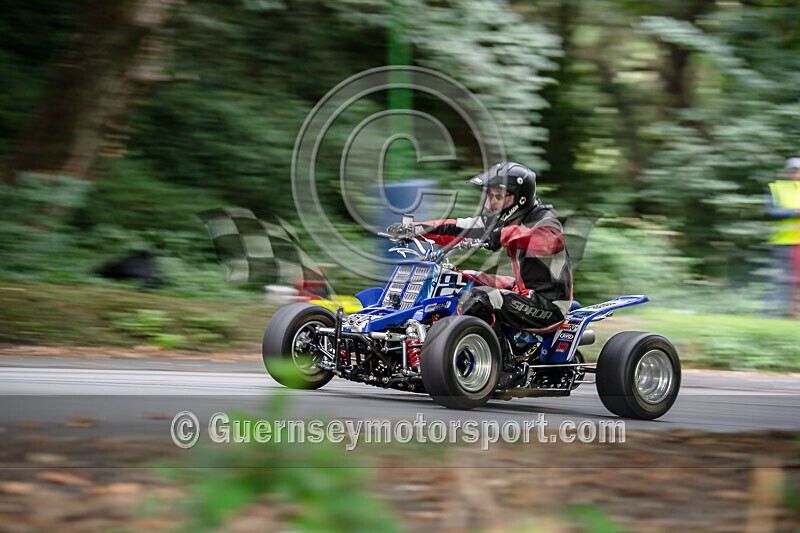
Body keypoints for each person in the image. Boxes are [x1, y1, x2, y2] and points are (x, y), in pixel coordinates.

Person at [387, 161, 572, 334]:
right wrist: (414, 229)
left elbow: (549, 242)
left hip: (549, 305)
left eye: (499, 197)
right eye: (490, 196)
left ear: (519, 199)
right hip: (522, 290)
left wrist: (504, 235)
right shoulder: (504, 221)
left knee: (479, 297)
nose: (492, 202)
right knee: (460, 279)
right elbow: (456, 228)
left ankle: (497, 360)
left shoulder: (545, 220)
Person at [766, 158, 800, 317]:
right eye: (793, 170)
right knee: (782, 281)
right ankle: (777, 315)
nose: (796, 174)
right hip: (783, 243)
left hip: (798, 245)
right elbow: (771, 213)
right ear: (788, 171)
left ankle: (793, 315)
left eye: (798, 170)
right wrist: (795, 212)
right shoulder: (776, 188)